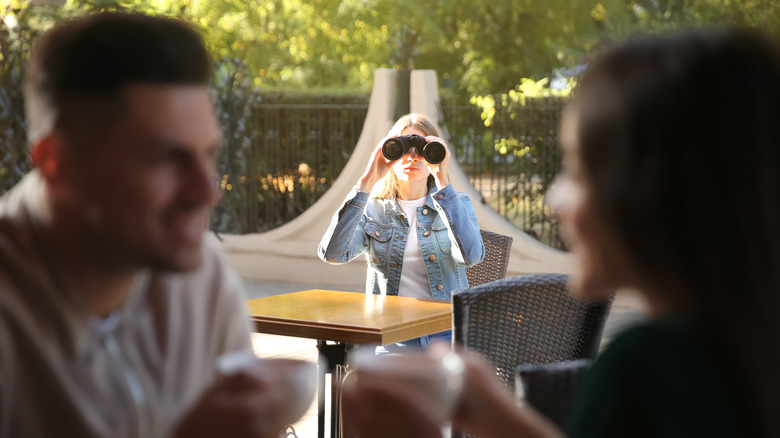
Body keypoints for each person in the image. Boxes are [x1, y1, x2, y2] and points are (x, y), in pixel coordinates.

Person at [340, 27, 780, 437]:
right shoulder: (740, 349)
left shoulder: (645, 364)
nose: (554, 200)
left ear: (654, 192)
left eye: (578, 172)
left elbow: (472, 254)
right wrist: (501, 417)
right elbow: (334, 250)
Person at [0, 12, 292, 438]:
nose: (206, 192)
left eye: (209, 154)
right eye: (165, 158)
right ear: (56, 165)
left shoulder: (203, 281)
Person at [318, 113, 484, 349]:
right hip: (391, 337)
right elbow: (333, 254)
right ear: (390, 152)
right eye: (403, 147)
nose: (413, 157)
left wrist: (443, 181)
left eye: (422, 147)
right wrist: (367, 180)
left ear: (434, 154)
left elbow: (472, 256)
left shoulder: (457, 203)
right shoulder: (373, 210)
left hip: (446, 334)